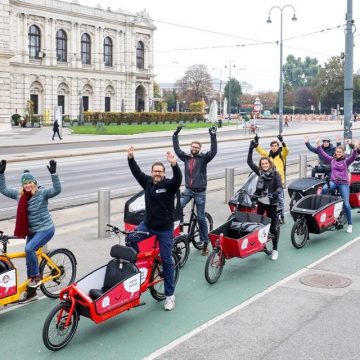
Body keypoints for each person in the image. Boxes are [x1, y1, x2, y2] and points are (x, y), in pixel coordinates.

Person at [127, 146, 182, 311]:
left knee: (167, 261)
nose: (157, 173)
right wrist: (131, 158)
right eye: (154, 171)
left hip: (165, 229)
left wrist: (174, 164)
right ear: (151, 172)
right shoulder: (148, 182)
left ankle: (170, 296)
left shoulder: (169, 185)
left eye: (160, 171)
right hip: (148, 225)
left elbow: (178, 179)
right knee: (130, 238)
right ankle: (135, 268)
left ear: (163, 173)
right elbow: (136, 172)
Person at [0, 159, 61, 302]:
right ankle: (31, 292)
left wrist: (54, 174)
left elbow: (57, 190)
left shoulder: (42, 193)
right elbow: (3, 189)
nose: (28, 185)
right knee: (29, 258)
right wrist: (1, 174)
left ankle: (36, 277)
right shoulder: (20, 195)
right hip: (33, 231)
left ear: (34, 183)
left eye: (30, 182)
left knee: (29, 248)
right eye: (25, 183)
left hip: (46, 229)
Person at [172, 125, 217, 256]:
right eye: (193, 147)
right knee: (178, 206)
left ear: (199, 149)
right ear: (190, 147)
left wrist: (213, 136)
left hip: (200, 192)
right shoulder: (186, 157)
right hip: (188, 190)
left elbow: (213, 152)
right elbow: (177, 149)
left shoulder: (203, 158)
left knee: (201, 217)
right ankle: (179, 226)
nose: (194, 149)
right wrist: (175, 135)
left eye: (197, 147)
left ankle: (205, 243)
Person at [247, 140, 283, 260]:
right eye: (262, 164)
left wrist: (274, 193)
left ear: (269, 164)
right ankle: (259, 244)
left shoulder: (275, 174)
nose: (264, 166)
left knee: (273, 227)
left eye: (266, 164)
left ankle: (275, 249)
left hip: (272, 203)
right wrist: (251, 149)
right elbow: (249, 162)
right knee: (258, 224)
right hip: (261, 202)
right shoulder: (261, 173)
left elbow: (279, 187)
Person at [315, 137, 358, 233]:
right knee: (325, 188)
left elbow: (353, 157)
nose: (338, 153)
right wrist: (318, 145)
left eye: (340, 152)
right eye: (337, 152)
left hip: (343, 183)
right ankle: (326, 203)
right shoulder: (332, 160)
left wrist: (355, 148)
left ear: (343, 153)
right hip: (333, 181)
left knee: (346, 204)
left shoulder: (346, 161)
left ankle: (350, 224)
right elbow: (323, 154)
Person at [254, 134, 289, 224]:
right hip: (270, 180)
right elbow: (261, 151)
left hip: (279, 180)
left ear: (278, 147)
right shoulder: (268, 155)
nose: (274, 148)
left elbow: (286, 150)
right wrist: (256, 143)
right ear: (270, 147)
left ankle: (282, 216)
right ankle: (272, 216)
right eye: (272, 146)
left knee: (280, 199)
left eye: (276, 146)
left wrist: (282, 142)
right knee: (268, 199)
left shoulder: (282, 155)